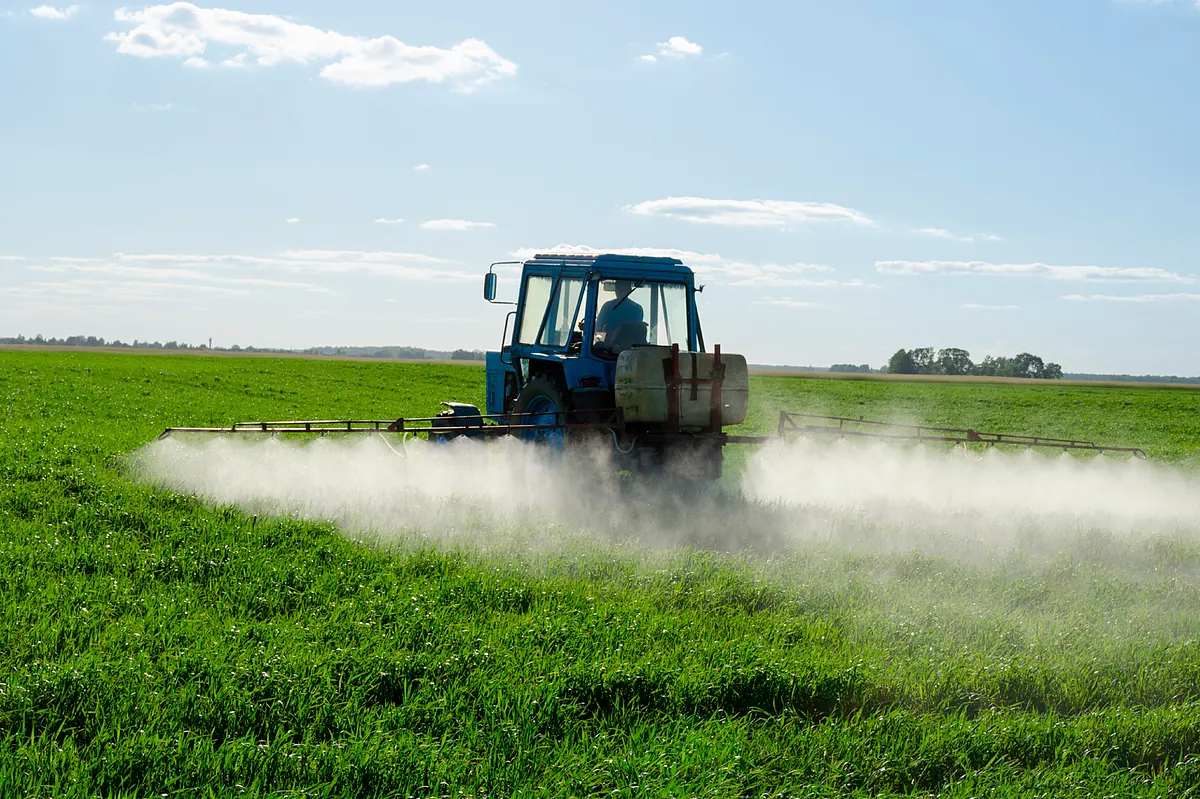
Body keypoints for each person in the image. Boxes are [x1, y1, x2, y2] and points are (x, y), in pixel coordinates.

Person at [595, 280, 644, 346]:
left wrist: (599, 345)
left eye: (620, 289)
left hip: (609, 347)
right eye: (618, 288)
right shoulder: (637, 308)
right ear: (629, 290)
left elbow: (600, 327)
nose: (619, 291)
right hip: (631, 347)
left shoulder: (608, 306)